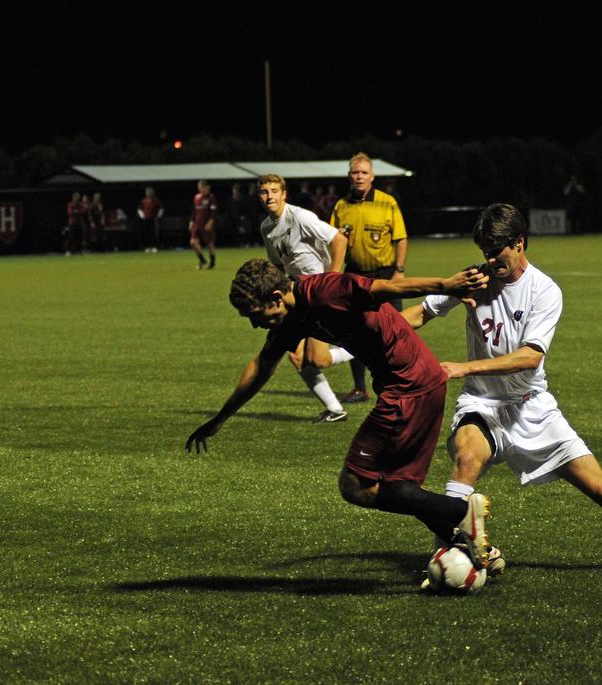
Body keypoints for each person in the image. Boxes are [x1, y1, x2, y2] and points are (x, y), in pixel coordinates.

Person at [402, 202, 602, 570]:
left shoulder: (544, 290)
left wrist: (464, 367)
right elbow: (421, 313)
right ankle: (442, 560)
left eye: (496, 250)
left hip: (531, 406)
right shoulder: (475, 279)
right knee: (468, 459)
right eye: (485, 251)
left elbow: (530, 356)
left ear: (519, 242)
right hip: (482, 403)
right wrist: (379, 331)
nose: (490, 259)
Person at [186, 258, 495, 577]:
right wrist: (221, 417)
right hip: (414, 383)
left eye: (255, 314)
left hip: (407, 386)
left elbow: (386, 287)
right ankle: (471, 544)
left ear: (277, 297)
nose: (254, 324)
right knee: (398, 487)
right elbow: (261, 367)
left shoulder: (324, 290)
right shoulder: (292, 319)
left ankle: (461, 511)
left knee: (355, 484)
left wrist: (447, 285)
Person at [258, 173, 353, 424]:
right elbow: (278, 265)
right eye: (264, 192)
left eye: (274, 191)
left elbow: (339, 239)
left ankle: (361, 348)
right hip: (297, 294)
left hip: (319, 294)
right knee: (297, 355)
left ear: (284, 194)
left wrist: (332, 279)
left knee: (318, 359)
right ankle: (335, 409)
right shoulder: (266, 227)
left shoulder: (300, 217)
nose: (269, 196)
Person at [330, 152, 408, 404]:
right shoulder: (341, 206)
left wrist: (399, 270)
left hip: (385, 275)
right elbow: (333, 241)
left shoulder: (388, 202)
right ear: (349, 176)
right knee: (355, 332)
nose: (359, 176)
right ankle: (360, 388)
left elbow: (401, 238)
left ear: (372, 176)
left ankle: (399, 383)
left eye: (364, 172)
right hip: (354, 275)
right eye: (355, 172)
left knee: (394, 331)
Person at [189, 180, 217, 269]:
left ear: (206, 187)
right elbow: (194, 211)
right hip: (197, 224)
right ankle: (202, 260)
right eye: (199, 188)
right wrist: (191, 221)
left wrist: (210, 221)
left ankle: (212, 263)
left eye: (202, 187)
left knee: (210, 244)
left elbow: (213, 211)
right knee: (193, 242)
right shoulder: (197, 197)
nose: (200, 189)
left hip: (206, 224)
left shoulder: (211, 198)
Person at [138, 187, 164, 253]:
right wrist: (142, 216)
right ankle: (147, 247)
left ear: (153, 193)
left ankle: (154, 247)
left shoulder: (156, 200)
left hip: (153, 219)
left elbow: (161, 208)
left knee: (154, 233)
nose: (149, 193)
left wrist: (158, 216)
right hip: (146, 219)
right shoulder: (143, 201)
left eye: (150, 192)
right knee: (146, 233)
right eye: (148, 192)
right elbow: (139, 209)